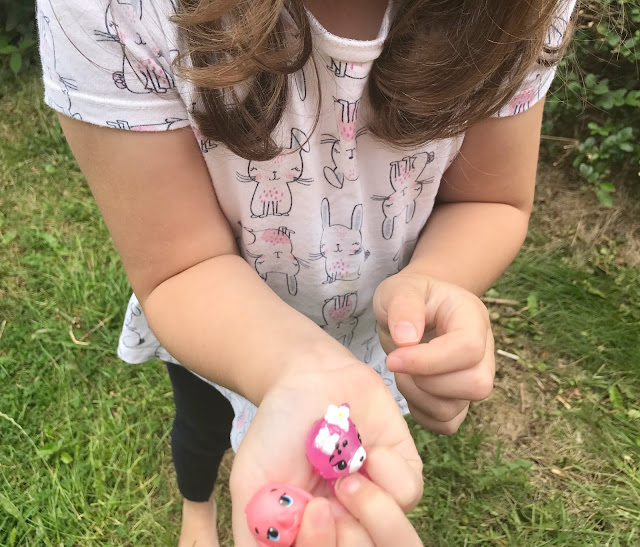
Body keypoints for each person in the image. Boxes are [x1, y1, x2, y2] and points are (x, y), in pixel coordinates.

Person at [36, 0, 575, 544]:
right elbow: (182, 265)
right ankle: (196, 505)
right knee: (200, 430)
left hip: (366, 339)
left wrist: (431, 278)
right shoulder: (109, 11)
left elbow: (491, 200)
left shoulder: (515, 11)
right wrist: (298, 367)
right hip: (214, 329)